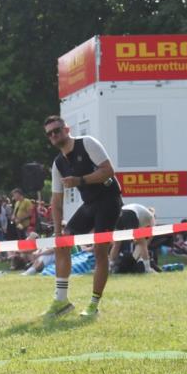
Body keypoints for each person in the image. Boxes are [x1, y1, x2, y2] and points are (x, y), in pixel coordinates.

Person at [43, 115, 123, 318]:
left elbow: (108, 171)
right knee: (62, 244)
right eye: (50, 134)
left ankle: (93, 305)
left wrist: (79, 180)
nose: (54, 135)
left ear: (67, 129)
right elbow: (56, 201)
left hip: (109, 200)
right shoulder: (58, 164)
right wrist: (58, 233)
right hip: (89, 204)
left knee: (100, 251)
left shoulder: (87, 143)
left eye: (57, 130)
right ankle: (61, 301)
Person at [110, 203, 157, 273]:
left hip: (120, 213)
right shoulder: (151, 217)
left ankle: (109, 266)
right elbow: (152, 233)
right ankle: (147, 268)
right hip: (131, 214)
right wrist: (145, 244)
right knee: (143, 243)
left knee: (117, 243)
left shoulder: (142, 214)